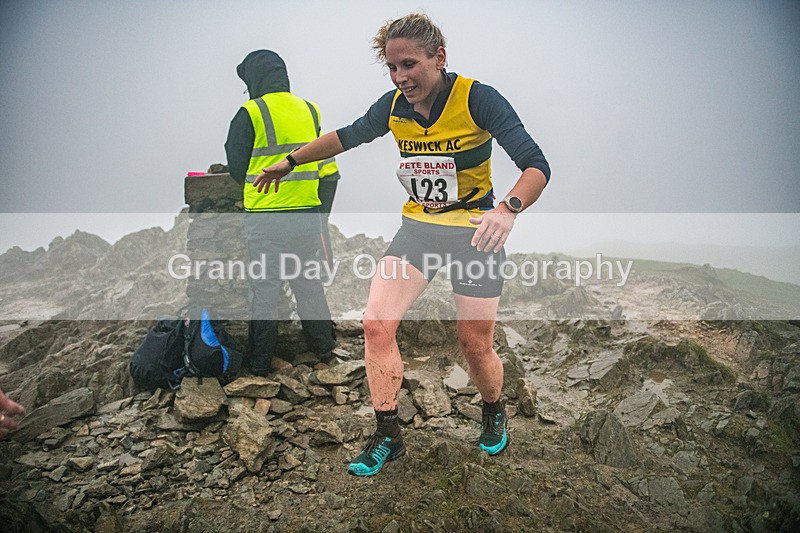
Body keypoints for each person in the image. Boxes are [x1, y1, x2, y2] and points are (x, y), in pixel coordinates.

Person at [254, 13, 550, 476]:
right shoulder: (394, 105)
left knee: (474, 343)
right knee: (375, 324)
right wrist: (290, 161)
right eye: (392, 68)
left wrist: (507, 208)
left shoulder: (478, 99)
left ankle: (494, 410)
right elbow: (346, 136)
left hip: (475, 232)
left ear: (440, 58)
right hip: (418, 230)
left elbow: (536, 165)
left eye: (409, 65)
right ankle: (388, 435)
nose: (400, 77)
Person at [225, 49, 339, 375]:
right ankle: (324, 349)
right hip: (305, 215)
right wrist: (320, 216)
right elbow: (330, 172)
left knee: (264, 290)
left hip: (266, 217)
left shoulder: (251, 112)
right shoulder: (309, 110)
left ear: (254, 79)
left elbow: (236, 167)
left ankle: (259, 364)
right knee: (308, 283)